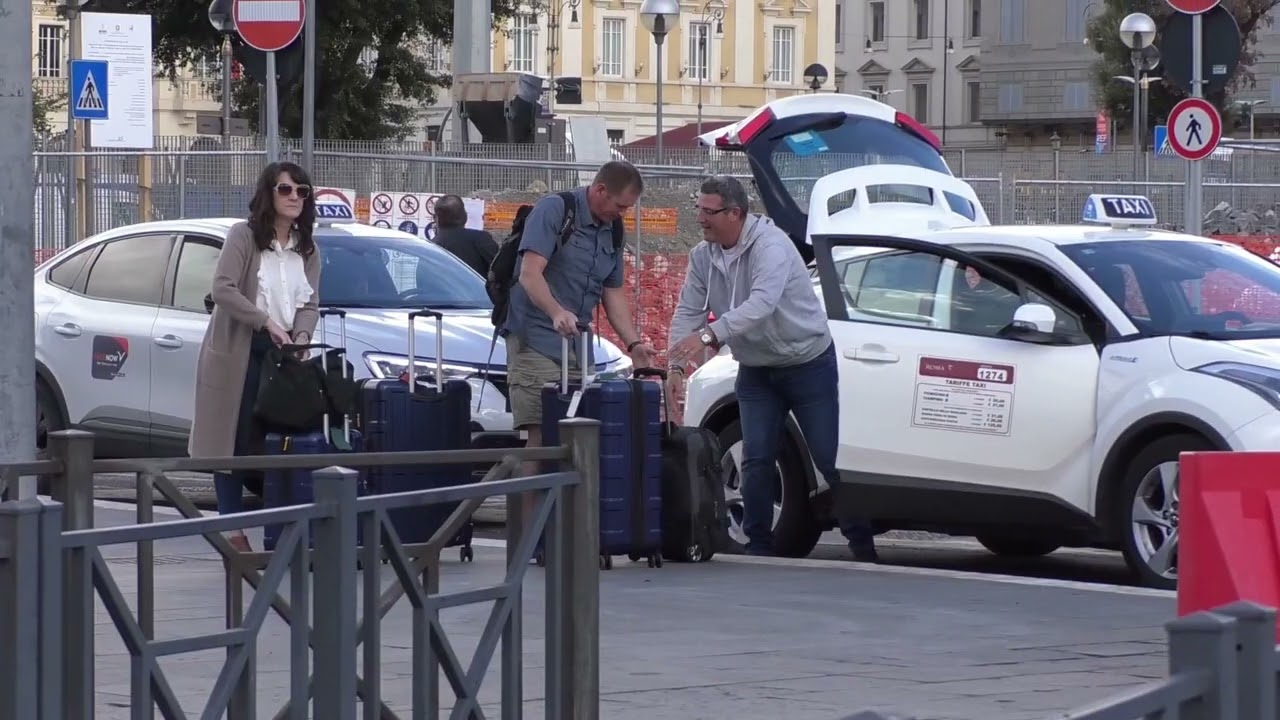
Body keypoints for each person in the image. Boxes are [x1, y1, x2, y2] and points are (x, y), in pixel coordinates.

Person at [666, 176, 878, 562]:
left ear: (735, 214)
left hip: (807, 363)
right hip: (757, 370)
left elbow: (762, 303)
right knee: (757, 457)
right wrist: (676, 366)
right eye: (698, 208)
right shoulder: (703, 255)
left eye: (707, 211)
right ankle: (760, 547)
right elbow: (687, 312)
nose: (699, 218)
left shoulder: (771, 247)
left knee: (829, 457)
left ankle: (863, 545)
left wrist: (710, 337)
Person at [502, 160, 657, 526]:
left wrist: (634, 344)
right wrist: (556, 311)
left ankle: (569, 532)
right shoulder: (555, 210)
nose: (622, 214)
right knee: (542, 436)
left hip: (577, 347)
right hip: (535, 337)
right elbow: (529, 273)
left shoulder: (612, 230)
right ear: (600, 190)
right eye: (620, 206)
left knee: (578, 437)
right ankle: (528, 537)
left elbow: (612, 293)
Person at [189, 162, 323, 552]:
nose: (295, 197)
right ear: (269, 193)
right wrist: (266, 323)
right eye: (286, 190)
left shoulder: (309, 247)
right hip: (240, 350)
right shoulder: (243, 236)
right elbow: (224, 289)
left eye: (302, 191)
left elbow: (311, 303)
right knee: (230, 442)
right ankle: (232, 530)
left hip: (286, 354)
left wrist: (300, 335)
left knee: (281, 441)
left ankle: (279, 526)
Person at [433, 194, 499, 278]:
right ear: (465, 216)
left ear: (436, 218)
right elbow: (501, 269)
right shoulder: (482, 239)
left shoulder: (430, 247)